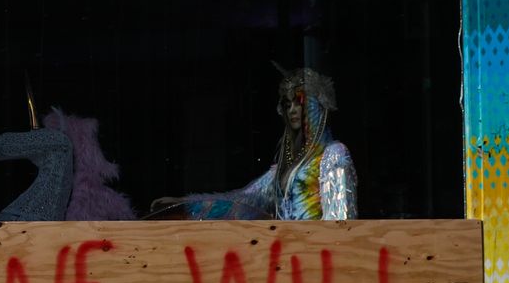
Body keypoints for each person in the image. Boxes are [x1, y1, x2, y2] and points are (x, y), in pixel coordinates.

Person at [150, 65, 358, 222]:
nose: (292, 110)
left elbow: (340, 221)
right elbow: (242, 201)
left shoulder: (333, 155)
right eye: (287, 104)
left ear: (316, 106)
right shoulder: (283, 168)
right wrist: (184, 207)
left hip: (318, 258)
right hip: (291, 256)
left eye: (299, 102)